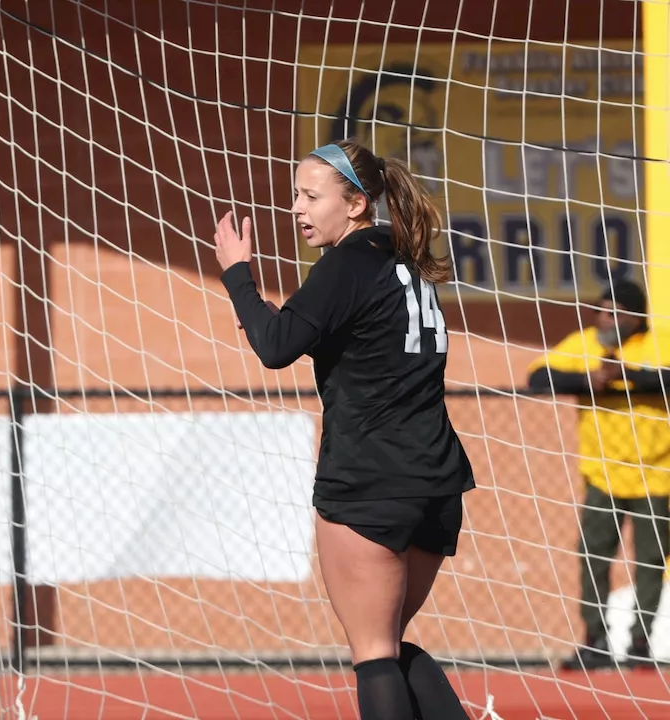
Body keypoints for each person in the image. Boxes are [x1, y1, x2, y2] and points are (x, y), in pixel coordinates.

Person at [213, 139, 474, 720]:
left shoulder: (348, 262)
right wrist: (263, 316)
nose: (297, 208)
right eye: (294, 197)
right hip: (436, 482)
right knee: (389, 644)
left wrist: (237, 274)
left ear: (356, 204)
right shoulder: (403, 259)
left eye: (310, 195)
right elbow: (314, 334)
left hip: (370, 479)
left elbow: (276, 346)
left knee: (374, 654)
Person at [526, 280, 670, 670]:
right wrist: (587, 381)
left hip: (657, 474)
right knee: (593, 556)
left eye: (612, 312)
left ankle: (641, 644)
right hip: (601, 473)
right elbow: (538, 377)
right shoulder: (585, 342)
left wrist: (629, 376)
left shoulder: (659, 343)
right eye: (599, 311)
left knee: (652, 561)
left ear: (634, 316)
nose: (602, 319)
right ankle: (595, 641)